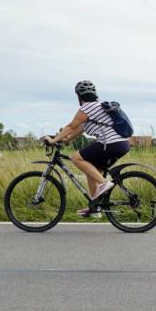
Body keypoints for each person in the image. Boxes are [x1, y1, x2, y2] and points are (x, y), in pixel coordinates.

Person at [43, 81, 131, 217]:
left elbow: (71, 126)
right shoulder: (97, 107)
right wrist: (66, 140)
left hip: (111, 143)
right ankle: (95, 208)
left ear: (79, 96)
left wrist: (53, 140)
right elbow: (80, 128)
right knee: (92, 170)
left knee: (75, 157)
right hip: (122, 144)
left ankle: (104, 183)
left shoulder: (87, 108)